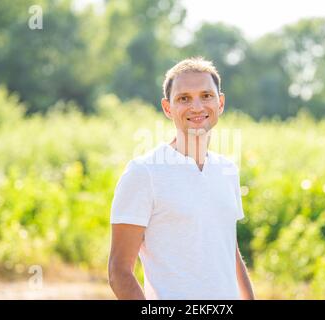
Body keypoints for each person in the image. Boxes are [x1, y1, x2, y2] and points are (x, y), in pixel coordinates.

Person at [108, 57, 255, 300]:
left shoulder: (227, 170)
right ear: (168, 108)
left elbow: (229, 250)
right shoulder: (144, 173)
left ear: (220, 103)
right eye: (184, 98)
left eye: (206, 95)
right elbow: (119, 271)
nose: (197, 107)